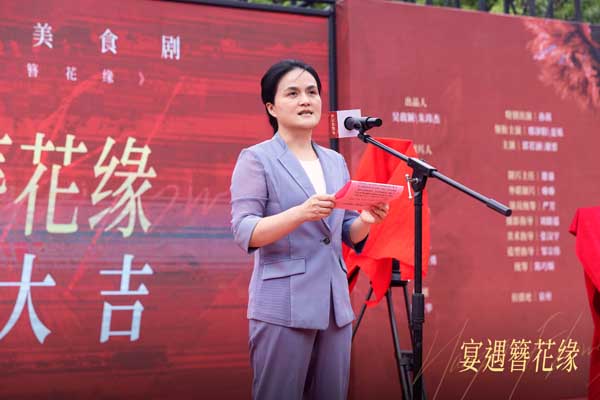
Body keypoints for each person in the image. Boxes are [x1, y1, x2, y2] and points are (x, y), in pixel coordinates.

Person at [230, 59, 389, 400]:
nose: (305, 100)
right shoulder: (257, 159)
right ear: (271, 107)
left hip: (334, 305)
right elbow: (245, 231)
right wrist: (299, 214)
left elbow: (346, 231)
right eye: (293, 93)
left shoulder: (334, 161)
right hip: (283, 305)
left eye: (312, 92)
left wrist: (366, 221)